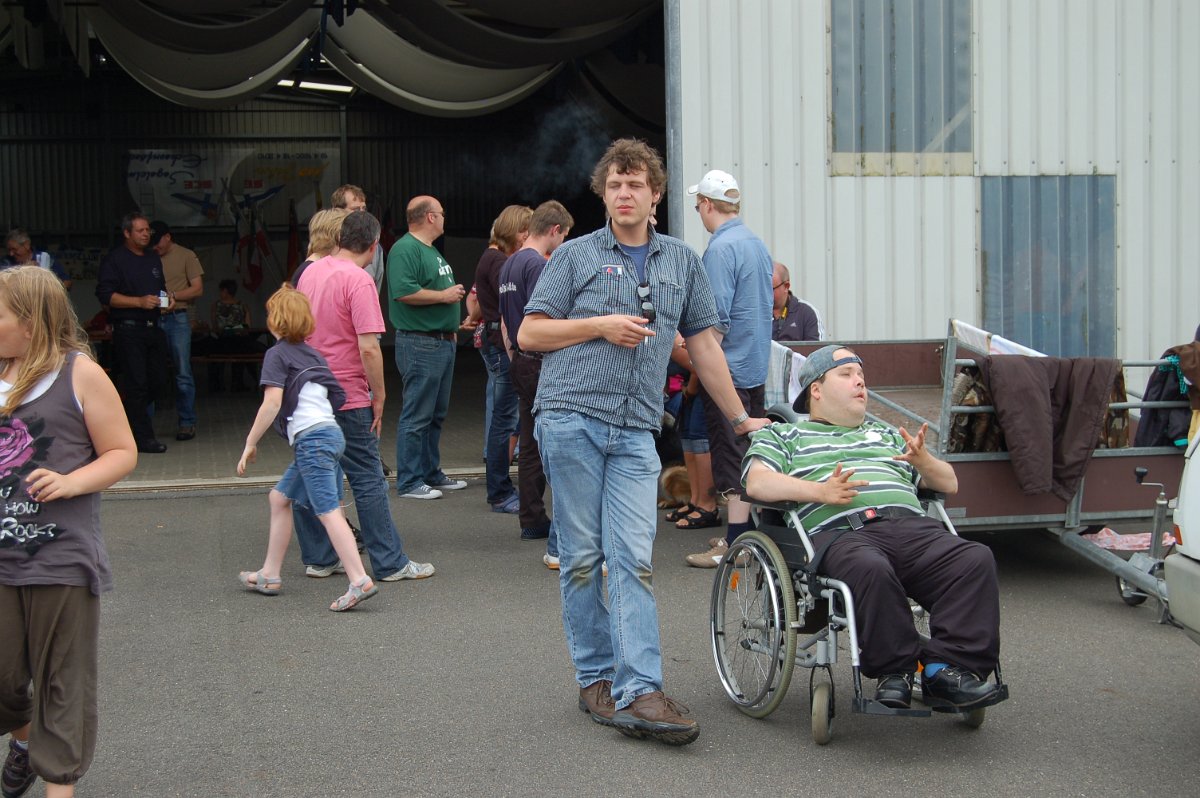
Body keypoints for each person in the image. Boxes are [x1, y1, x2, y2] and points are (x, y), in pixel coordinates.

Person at [519, 139, 769, 746]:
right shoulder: (574, 256)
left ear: (655, 194)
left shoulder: (682, 261)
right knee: (582, 559)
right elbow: (530, 332)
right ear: (603, 195)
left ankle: (642, 690)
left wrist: (740, 419)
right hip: (571, 419)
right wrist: (599, 325)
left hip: (636, 431)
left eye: (636, 184)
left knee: (632, 557)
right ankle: (595, 678)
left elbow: (704, 346)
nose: (625, 193)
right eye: (615, 185)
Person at [743, 344, 1002, 710]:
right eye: (847, 376)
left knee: (974, 559)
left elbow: (949, 483)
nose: (859, 383)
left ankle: (947, 670)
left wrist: (923, 460)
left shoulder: (887, 436)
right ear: (815, 389)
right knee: (870, 568)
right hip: (843, 534)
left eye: (862, 378)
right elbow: (757, 484)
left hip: (912, 529)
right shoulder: (784, 436)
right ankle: (894, 671)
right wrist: (821, 492)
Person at [0, 265, 138, 798]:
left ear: (32, 322)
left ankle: (58, 780)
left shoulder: (79, 374)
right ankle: (24, 742)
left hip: (60, 557)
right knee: (6, 682)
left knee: (63, 683)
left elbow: (122, 453)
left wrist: (69, 481)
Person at [293, 210, 435, 583]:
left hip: (309, 389)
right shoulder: (358, 281)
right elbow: (369, 346)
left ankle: (320, 558)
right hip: (346, 392)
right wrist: (381, 394)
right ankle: (390, 562)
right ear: (374, 246)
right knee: (367, 478)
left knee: (314, 472)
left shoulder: (311, 272)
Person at [235, 285, 379, 612]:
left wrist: (250, 443)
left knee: (328, 512)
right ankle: (270, 574)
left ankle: (358, 580)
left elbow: (271, 403)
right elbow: (333, 395)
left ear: (276, 321)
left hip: (312, 442)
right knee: (279, 498)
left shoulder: (277, 354)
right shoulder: (313, 354)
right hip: (329, 435)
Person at [682, 169, 775, 567]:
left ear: (706, 205)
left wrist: (697, 369)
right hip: (754, 367)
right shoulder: (756, 243)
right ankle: (748, 539)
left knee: (731, 458)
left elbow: (714, 321)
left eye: (697, 205)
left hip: (728, 371)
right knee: (751, 457)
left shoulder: (719, 250)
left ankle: (735, 547)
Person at [497, 199, 573, 564]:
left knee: (529, 442)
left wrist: (515, 355)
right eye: (565, 236)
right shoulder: (539, 265)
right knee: (555, 443)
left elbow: (504, 322)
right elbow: (550, 317)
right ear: (555, 231)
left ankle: (531, 518)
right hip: (541, 362)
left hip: (520, 361)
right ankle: (559, 527)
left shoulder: (509, 262)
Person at [387, 195, 467, 500]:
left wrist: (451, 327)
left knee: (435, 414)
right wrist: (444, 297)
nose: (445, 218)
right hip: (421, 344)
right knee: (417, 415)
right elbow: (404, 292)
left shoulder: (428, 250)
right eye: (442, 213)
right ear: (430, 217)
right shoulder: (405, 249)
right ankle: (409, 481)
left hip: (440, 342)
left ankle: (431, 473)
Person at [94, 212, 172, 454]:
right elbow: (105, 296)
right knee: (136, 383)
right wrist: (138, 302)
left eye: (148, 230)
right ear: (127, 233)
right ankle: (142, 438)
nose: (146, 234)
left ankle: (126, 418)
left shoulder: (152, 258)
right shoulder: (115, 260)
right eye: (140, 230)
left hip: (154, 328)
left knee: (161, 381)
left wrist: (166, 301)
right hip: (128, 329)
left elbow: (161, 289)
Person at [474, 205, 532, 514]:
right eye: (525, 231)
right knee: (504, 421)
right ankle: (499, 491)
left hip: (495, 344)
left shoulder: (492, 257)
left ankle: (500, 488)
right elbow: (514, 302)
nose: (528, 238)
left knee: (505, 419)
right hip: (501, 346)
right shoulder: (498, 261)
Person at [149, 221, 204, 441]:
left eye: (158, 241)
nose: (155, 247)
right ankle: (146, 426)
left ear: (168, 237)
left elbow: (197, 288)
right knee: (150, 372)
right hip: (152, 318)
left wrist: (173, 296)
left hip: (177, 318)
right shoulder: (148, 256)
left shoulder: (186, 255)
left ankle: (187, 422)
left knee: (182, 373)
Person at [331, 184, 386, 296]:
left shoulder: (375, 246)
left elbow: (376, 289)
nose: (362, 213)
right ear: (337, 210)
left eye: (364, 208)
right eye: (356, 209)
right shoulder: (327, 244)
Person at [771, 261, 825, 341]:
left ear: (786, 286)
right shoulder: (752, 312)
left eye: (770, 289)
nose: (763, 293)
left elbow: (815, 350)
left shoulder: (807, 313)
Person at [2, 228, 72, 289]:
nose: (11, 253)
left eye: (14, 249)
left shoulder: (44, 258)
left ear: (27, 245)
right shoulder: (6, 262)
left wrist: (47, 283)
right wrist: (24, 270)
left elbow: (68, 283)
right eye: (9, 250)